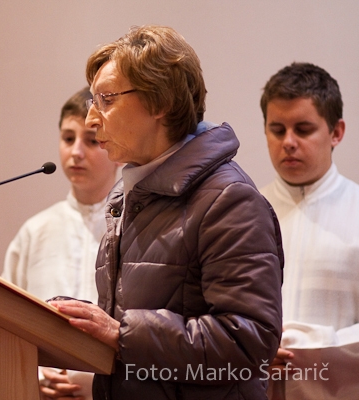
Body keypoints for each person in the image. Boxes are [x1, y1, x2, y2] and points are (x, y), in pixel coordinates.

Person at [49, 25, 284, 400]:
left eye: (106, 100)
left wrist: (120, 333)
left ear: (161, 103)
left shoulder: (229, 199)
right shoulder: (131, 195)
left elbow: (249, 342)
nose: (92, 119)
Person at [2, 87, 121, 400]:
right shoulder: (35, 231)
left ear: (115, 148)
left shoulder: (133, 227)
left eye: (91, 140)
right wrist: (36, 374)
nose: (76, 152)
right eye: (68, 139)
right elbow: (6, 319)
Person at [259, 62, 359, 398]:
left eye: (303, 129)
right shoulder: (242, 213)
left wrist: (309, 346)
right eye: (277, 129)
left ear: (336, 132)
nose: (288, 142)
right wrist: (253, 346)